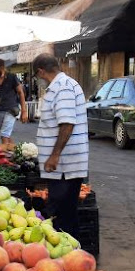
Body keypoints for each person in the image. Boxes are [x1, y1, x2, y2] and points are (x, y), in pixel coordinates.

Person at [32, 53, 89, 239]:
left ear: (41, 71)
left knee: (63, 215)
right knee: (66, 214)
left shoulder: (62, 88)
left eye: (37, 75)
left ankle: (70, 257)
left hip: (65, 165)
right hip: (63, 165)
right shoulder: (62, 86)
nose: (38, 79)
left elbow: (67, 124)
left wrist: (54, 155)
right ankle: (72, 255)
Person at [0, 58, 28, 145]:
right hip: (0, 110)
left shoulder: (12, 77)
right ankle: (14, 152)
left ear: (2, 68)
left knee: (4, 135)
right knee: (6, 135)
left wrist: (24, 111)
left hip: (11, 110)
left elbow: (21, 93)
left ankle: (5, 157)